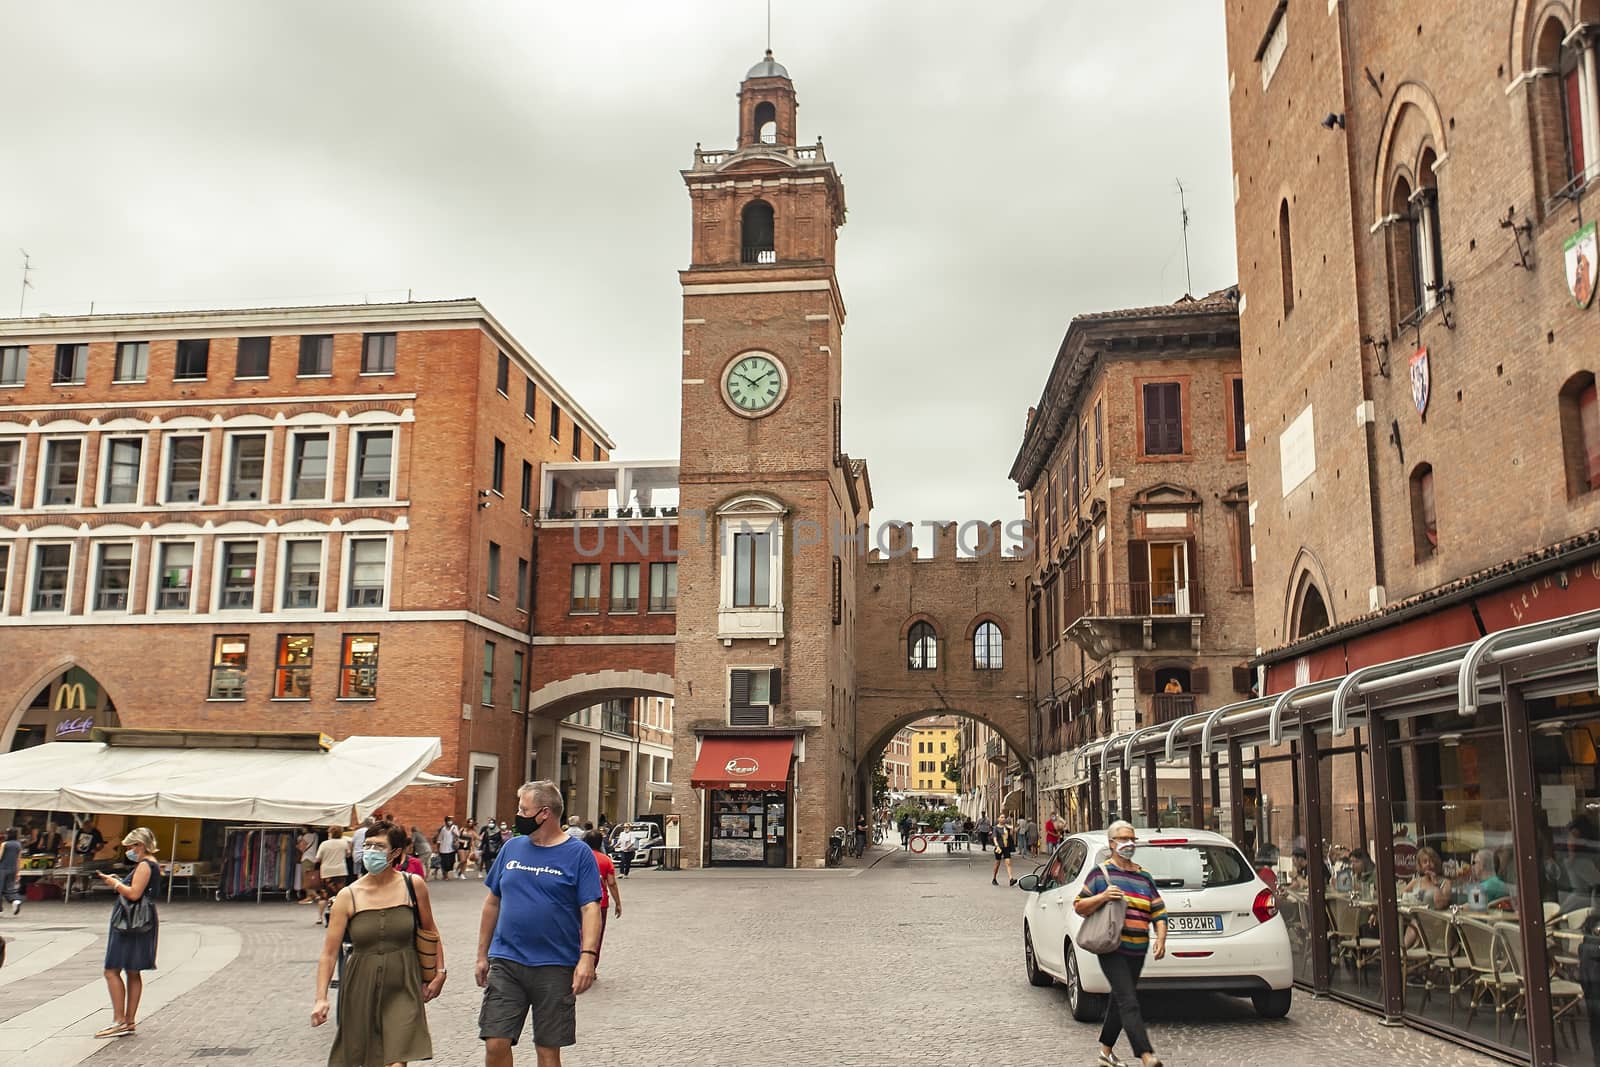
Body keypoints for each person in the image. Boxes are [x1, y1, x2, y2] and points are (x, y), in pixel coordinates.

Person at [476, 781, 602, 1066]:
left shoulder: (579, 854)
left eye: (523, 809)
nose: (518, 814)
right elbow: (492, 902)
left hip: (554, 965)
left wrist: (587, 957)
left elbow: (590, 907)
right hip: (507, 961)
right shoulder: (512, 848)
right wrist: (482, 955)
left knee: (547, 1050)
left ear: (544, 813)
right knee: (495, 1041)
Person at [313, 820, 445, 1065]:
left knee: (397, 1059)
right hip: (361, 983)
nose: (370, 851)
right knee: (366, 1056)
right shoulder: (348, 895)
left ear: (395, 852)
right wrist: (321, 998)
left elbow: (430, 930)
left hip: (404, 982)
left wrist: (440, 971)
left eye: (378, 846)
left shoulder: (412, 886)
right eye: (368, 845)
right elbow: (329, 953)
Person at [1075, 821, 1168, 1067]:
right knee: (1129, 1000)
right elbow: (1079, 906)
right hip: (1112, 948)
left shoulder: (1144, 876)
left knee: (1119, 999)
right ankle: (1146, 1055)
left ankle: (1105, 1053)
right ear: (1112, 843)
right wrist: (1103, 896)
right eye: (1123, 839)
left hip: (1138, 949)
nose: (1129, 843)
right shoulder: (1100, 874)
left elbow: (1158, 911)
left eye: (1132, 839)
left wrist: (1161, 938)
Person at [93, 827, 162, 1039]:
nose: (129, 851)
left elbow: (133, 894)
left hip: (130, 922)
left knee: (112, 970)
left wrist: (114, 883)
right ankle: (129, 1020)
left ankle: (119, 1020)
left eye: (131, 846)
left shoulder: (144, 865)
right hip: (142, 920)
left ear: (139, 845)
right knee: (133, 970)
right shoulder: (153, 864)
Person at [581, 831, 622, 972]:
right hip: (600, 902)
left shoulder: (579, 857)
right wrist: (618, 903)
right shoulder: (605, 860)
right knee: (596, 935)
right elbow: (611, 883)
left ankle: (576, 964)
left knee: (578, 933)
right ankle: (591, 967)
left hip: (579, 902)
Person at [315, 828, 351, 927]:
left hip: (327, 872)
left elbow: (318, 858)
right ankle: (342, 916)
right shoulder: (344, 843)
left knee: (324, 895)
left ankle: (320, 917)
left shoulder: (324, 844)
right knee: (340, 894)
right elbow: (348, 854)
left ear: (330, 833)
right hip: (340, 871)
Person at [991, 815, 1018, 886]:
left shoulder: (1007, 827)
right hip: (999, 848)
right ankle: (994, 878)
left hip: (1006, 847)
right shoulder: (996, 828)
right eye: (1001, 817)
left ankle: (1011, 879)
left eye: (1004, 817)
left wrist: (1013, 828)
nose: (1003, 819)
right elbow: (994, 838)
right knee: (997, 863)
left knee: (1008, 863)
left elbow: (1012, 833)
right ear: (998, 819)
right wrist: (997, 846)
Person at [298, 826, 322, 904]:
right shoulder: (315, 835)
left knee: (306, 878)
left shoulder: (306, 836)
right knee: (310, 877)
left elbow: (301, 848)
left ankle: (312, 895)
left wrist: (298, 841)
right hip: (313, 858)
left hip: (306, 858)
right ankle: (311, 896)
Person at [1, 829, 21, 916]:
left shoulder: (4, 844)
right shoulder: (18, 845)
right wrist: (18, 871)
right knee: (10, 888)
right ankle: (15, 901)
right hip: (13, 869)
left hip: (2, 869)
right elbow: (18, 859)